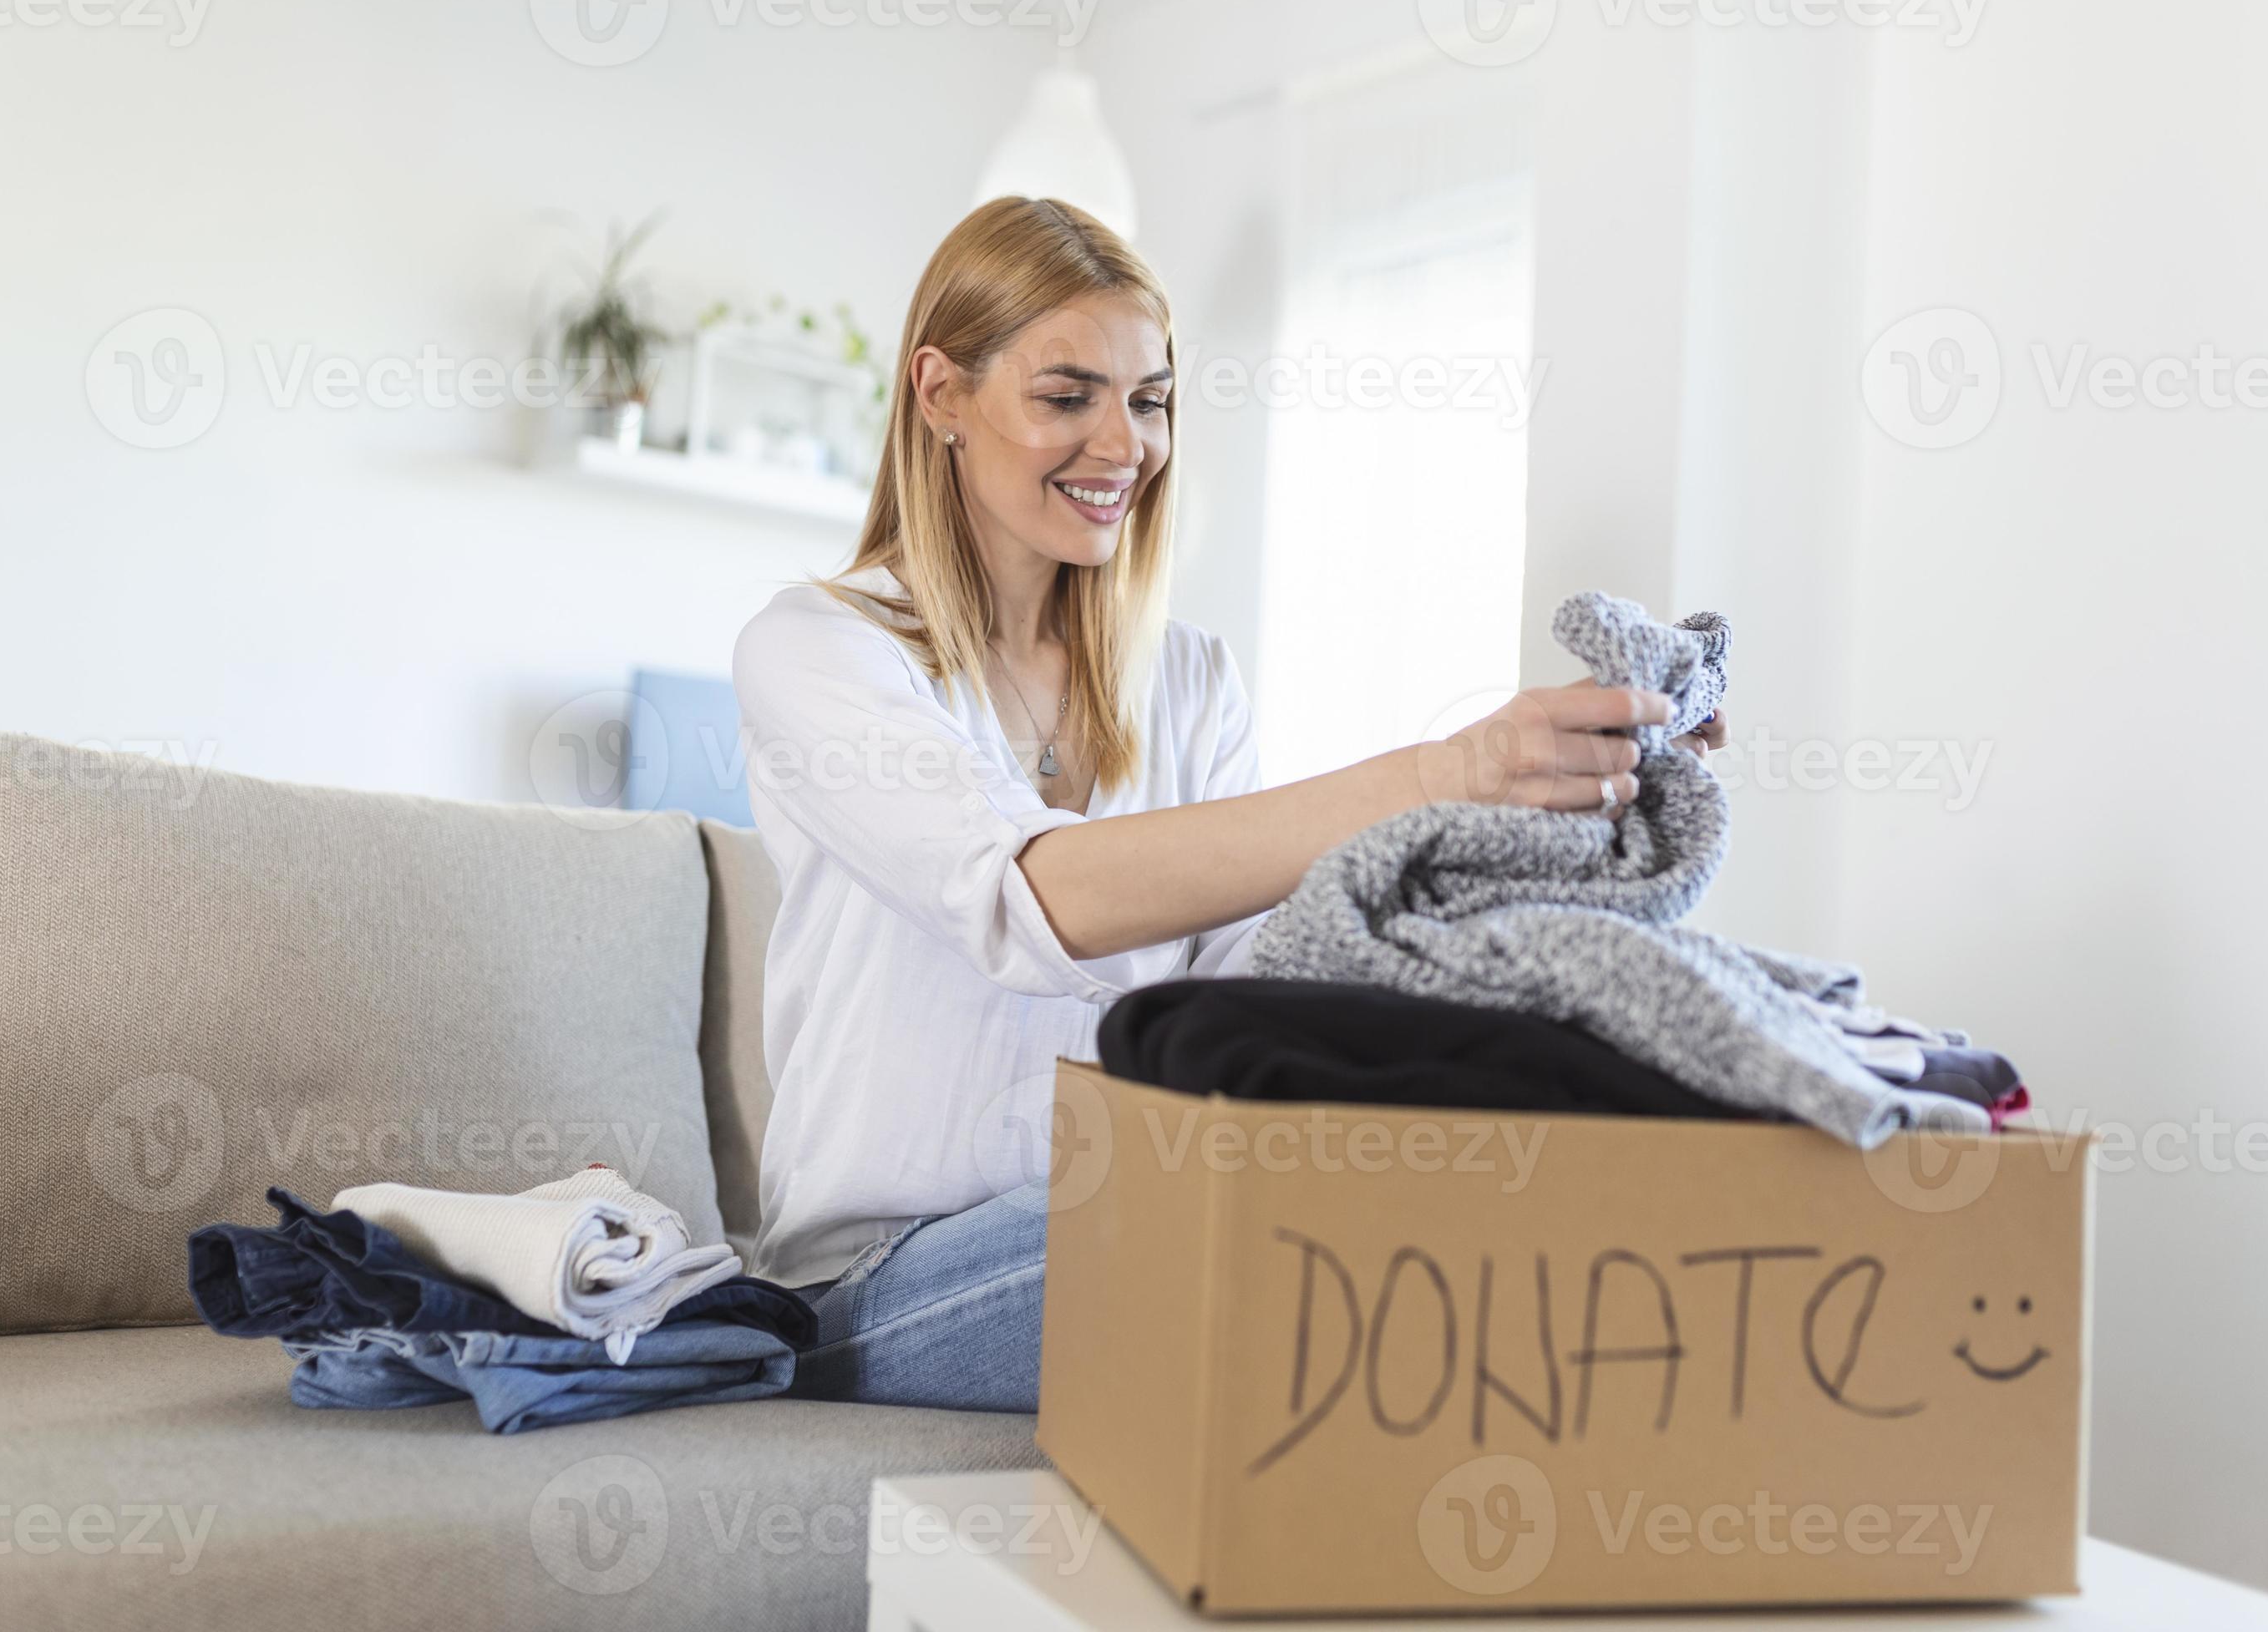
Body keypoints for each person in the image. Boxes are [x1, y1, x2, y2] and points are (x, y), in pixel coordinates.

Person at [731, 196, 1725, 1411]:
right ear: (942, 395)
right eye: (1067, 396)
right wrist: (1446, 769)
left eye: (1148, 400)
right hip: (876, 1274)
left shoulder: (1191, 681)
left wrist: (1545, 796)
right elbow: (1028, 896)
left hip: (1137, 1178)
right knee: (1279, 1240)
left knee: (1461, 1182)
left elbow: (1256, 990)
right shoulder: (821, 649)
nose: (1124, 445)